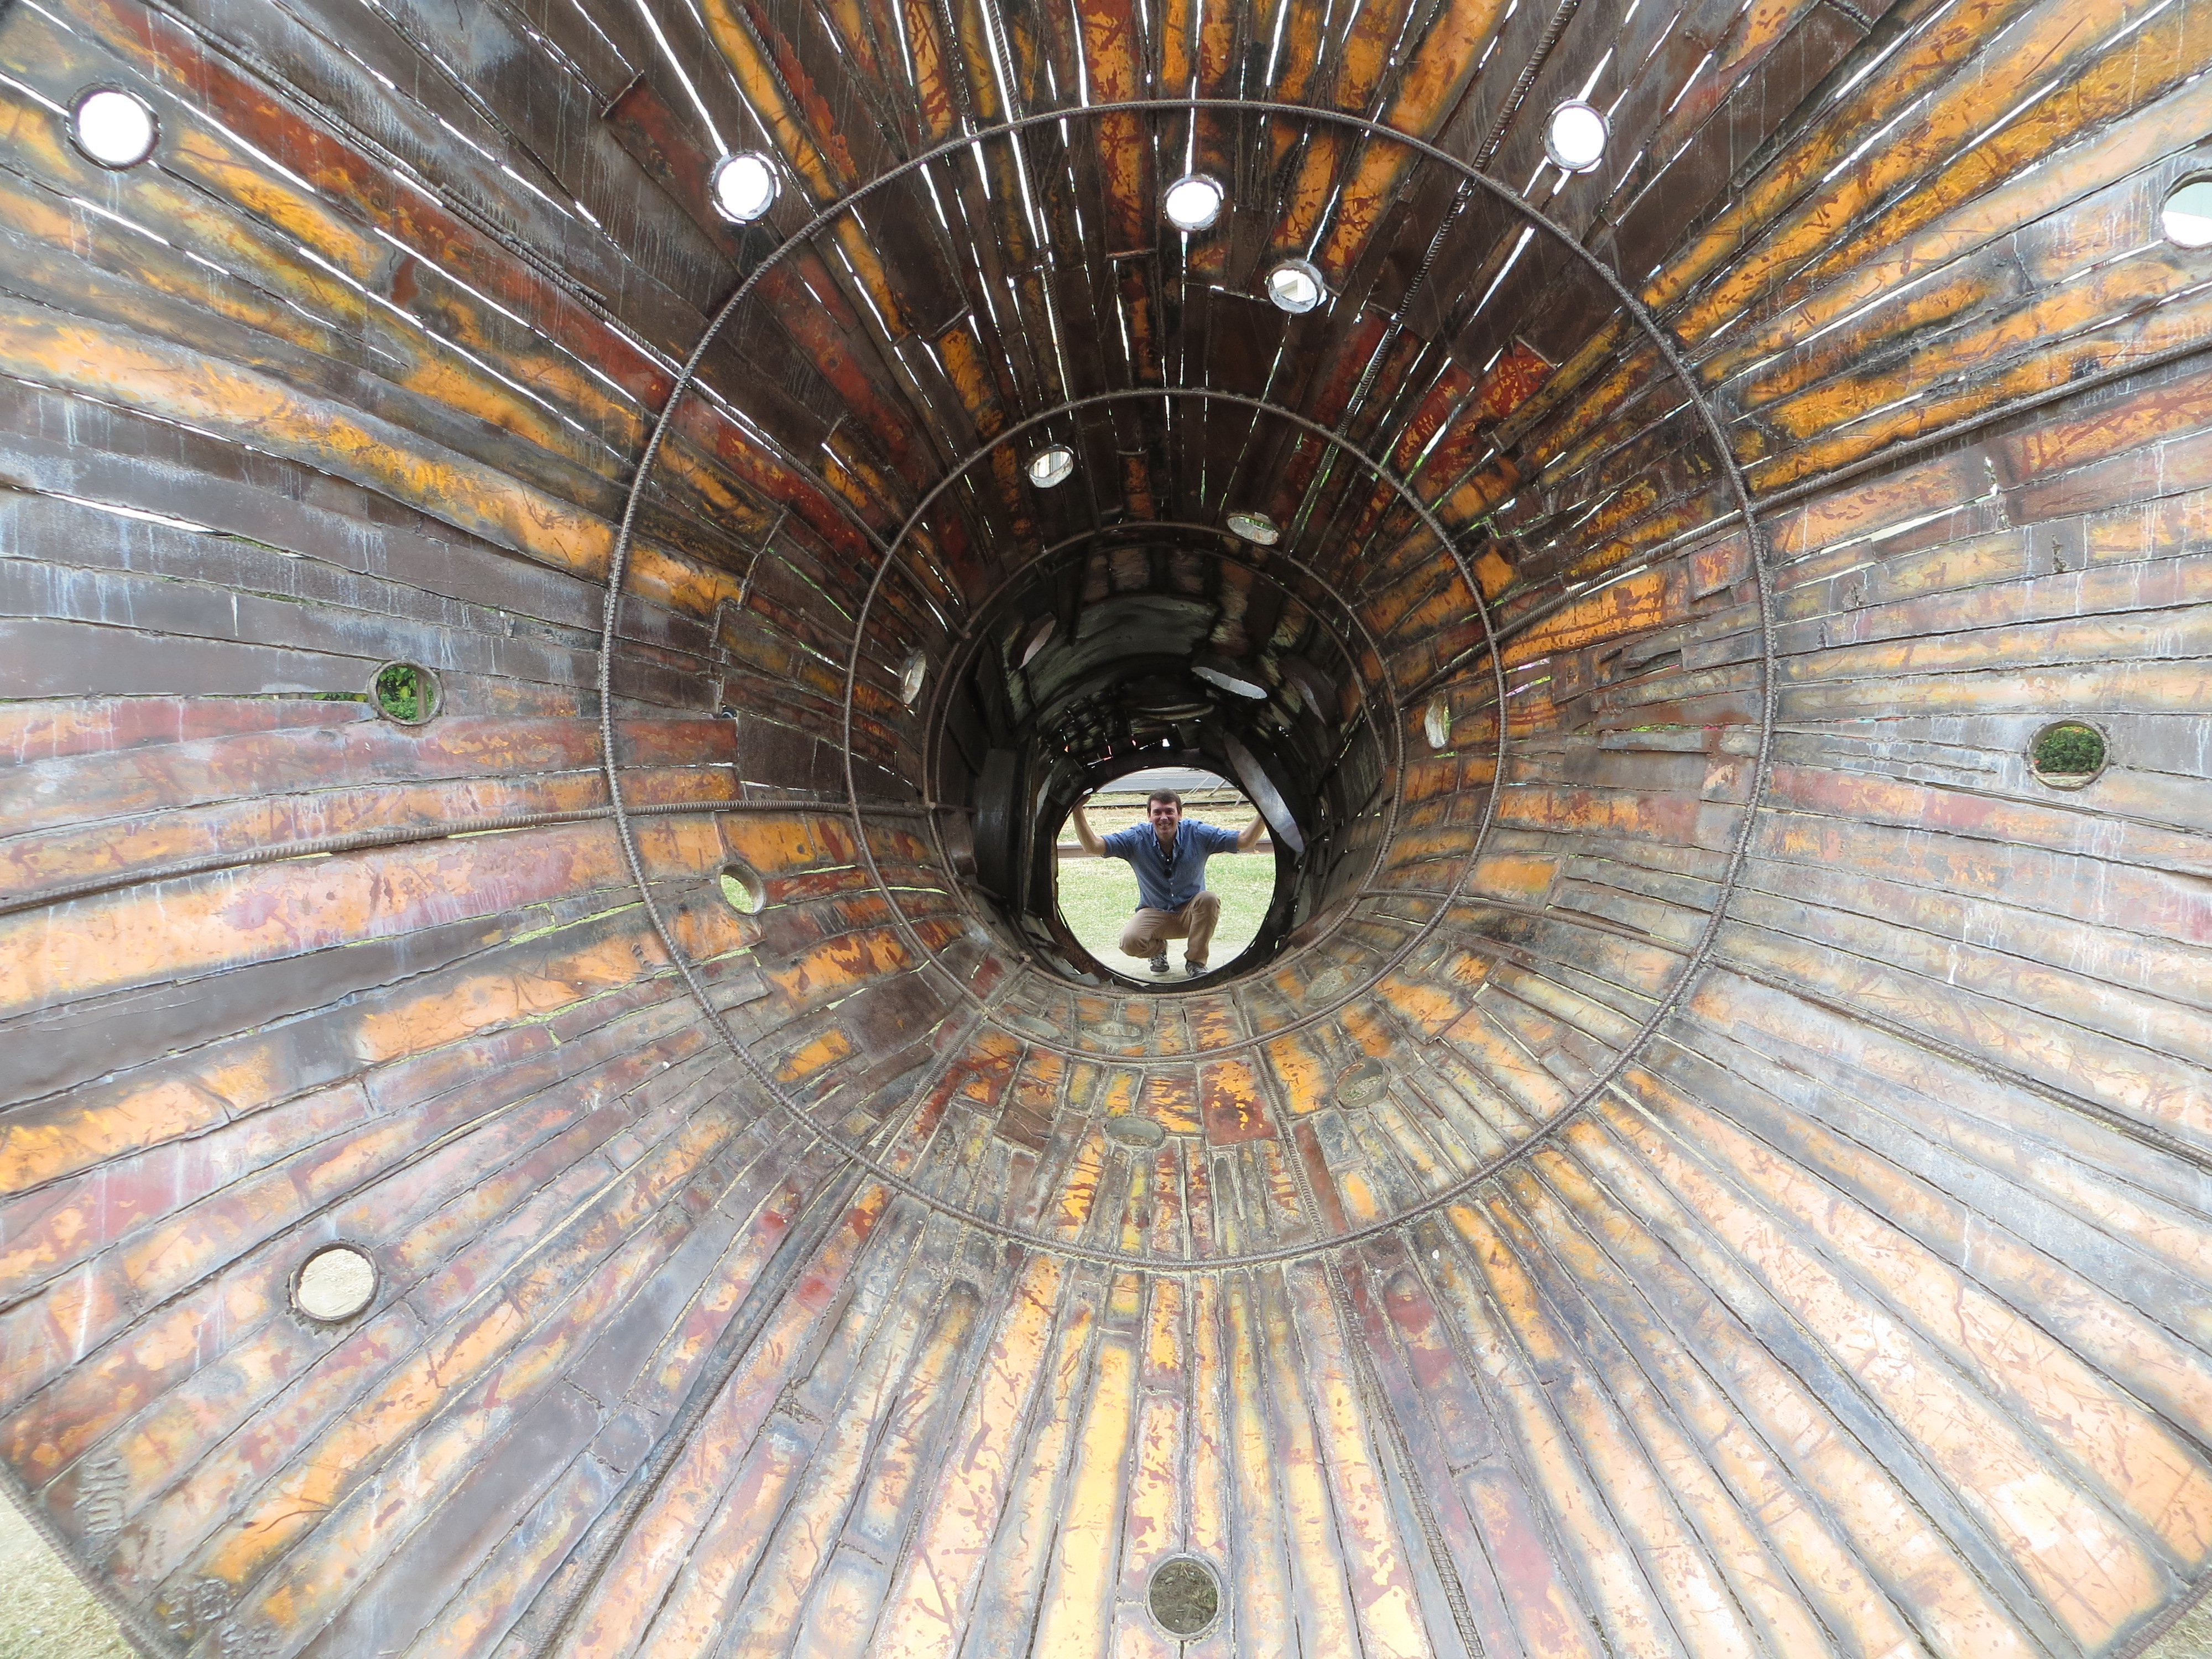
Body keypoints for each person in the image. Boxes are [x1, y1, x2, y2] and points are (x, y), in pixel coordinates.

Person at [1069, 787, 1266, 977]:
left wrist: (1264, 808)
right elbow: (1093, 846)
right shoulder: (1136, 838)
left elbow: (1245, 841)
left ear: (1180, 814)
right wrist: (1077, 810)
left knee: (1209, 899)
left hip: (1191, 914)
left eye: (1169, 811)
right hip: (1154, 912)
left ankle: (1196, 962)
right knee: (1130, 943)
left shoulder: (1197, 833)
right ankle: (1158, 949)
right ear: (1149, 816)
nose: (1164, 817)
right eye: (1158, 812)